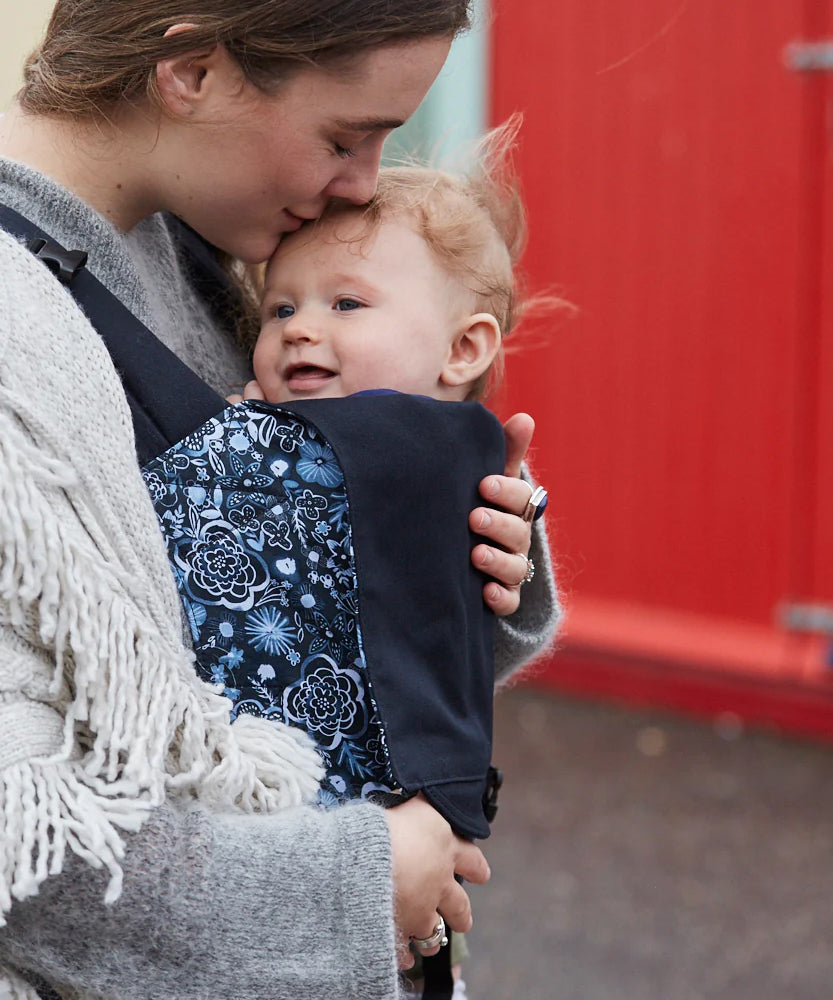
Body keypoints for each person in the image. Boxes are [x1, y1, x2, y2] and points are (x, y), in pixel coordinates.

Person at [0, 4, 561, 999]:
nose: (359, 183)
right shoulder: (20, 335)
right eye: (343, 137)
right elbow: (23, 837)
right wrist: (354, 881)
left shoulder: (200, 251)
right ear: (192, 70)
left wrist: (464, 543)